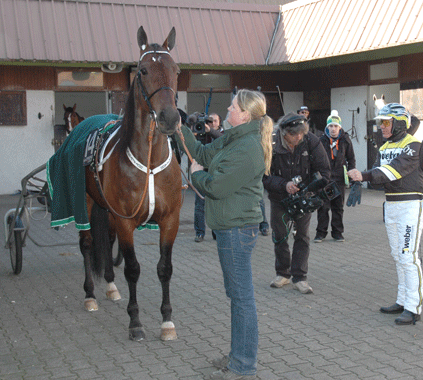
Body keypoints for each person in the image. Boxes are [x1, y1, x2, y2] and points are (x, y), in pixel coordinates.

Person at [176, 89, 273, 379]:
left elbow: (215, 187)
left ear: (244, 113)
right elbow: (204, 153)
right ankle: (238, 357)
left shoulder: (248, 147)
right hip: (230, 227)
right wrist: (181, 128)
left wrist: (195, 174)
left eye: (232, 107)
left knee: (242, 298)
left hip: (236, 229)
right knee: (238, 296)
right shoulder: (236, 137)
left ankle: (243, 365)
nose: (227, 111)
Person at [348, 103, 423, 325]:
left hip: (411, 205)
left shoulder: (414, 145)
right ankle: (402, 300)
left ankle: (414, 306)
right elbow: (378, 170)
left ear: (399, 124)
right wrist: (357, 183)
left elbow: (394, 170)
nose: (381, 126)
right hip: (390, 205)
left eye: (386, 122)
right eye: (381, 122)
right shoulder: (384, 147)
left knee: (409, 257)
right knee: (397, 255)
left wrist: (363, 176)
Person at [263, 112, 330, 294]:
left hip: (304, 197)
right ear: (283, 132)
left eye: (301, 133)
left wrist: (308, 188)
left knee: (302, 236)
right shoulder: (271, 144)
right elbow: (264, 176)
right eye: (294, 134)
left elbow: (324, 170)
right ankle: (282, 273)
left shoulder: (311, 141)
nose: (298, 137)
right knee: (280, 235)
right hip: (279, 197)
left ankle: (300, 276)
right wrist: (284, 185)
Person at [314, 110, 356, 243]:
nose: (333, 129)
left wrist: (351, 175)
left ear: (340, 127)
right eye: (330, 126)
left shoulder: (345, 140)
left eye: (336, 126)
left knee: (338, 207)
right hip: (325, 179)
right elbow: (315, 160)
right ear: (327, 127)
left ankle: (337, 233)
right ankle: (321, 233)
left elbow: (351, 159)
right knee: (323, 207)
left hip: (339, 179)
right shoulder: (321, 140)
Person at [188, 113, 224, 242]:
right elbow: (193, 147)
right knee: (199, 205)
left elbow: (223, 140)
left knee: (216, 204)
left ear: (219, 122)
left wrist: (211, 131)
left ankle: (216, 232)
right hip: (203, 172)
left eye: (215, 121)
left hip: (217, 174)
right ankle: (199, 233)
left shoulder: (223, 133)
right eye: (211, 121)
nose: (213, 123)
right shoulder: (201, 133)